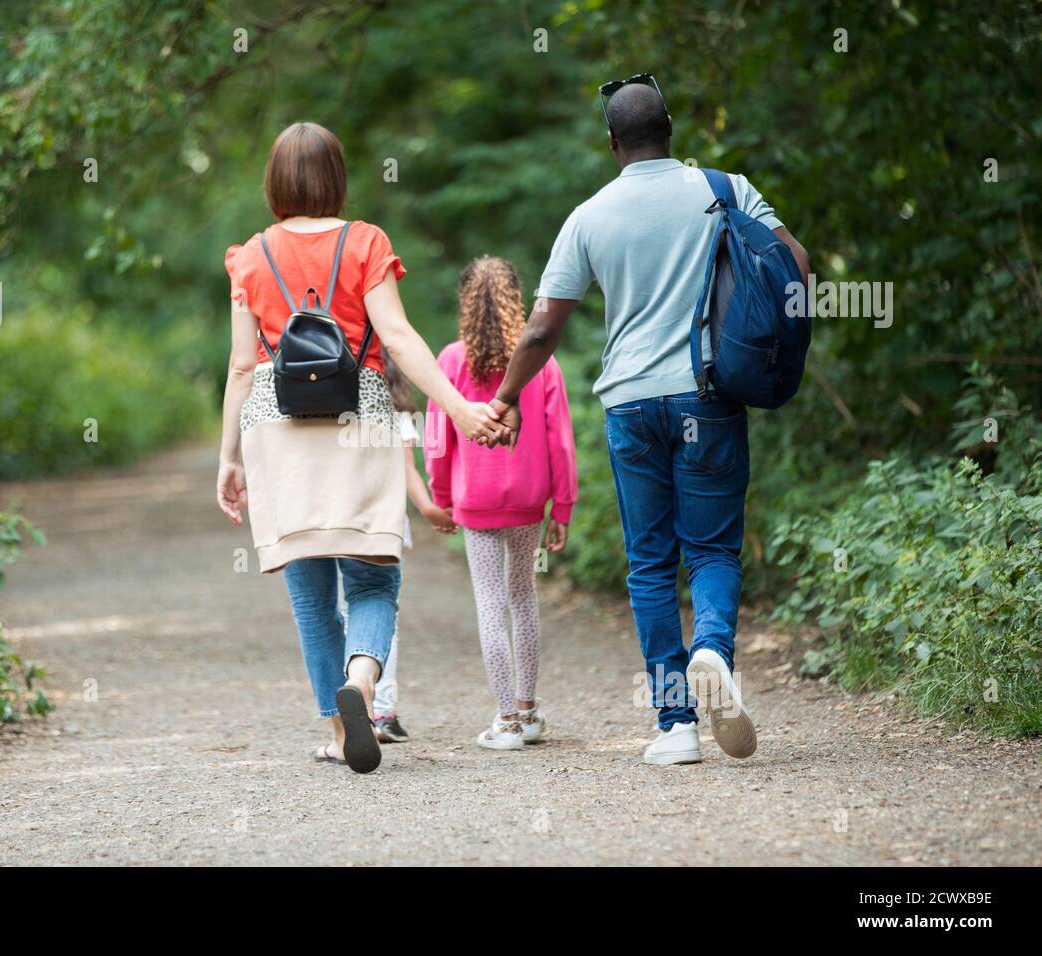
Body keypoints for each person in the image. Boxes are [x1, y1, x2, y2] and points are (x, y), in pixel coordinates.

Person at [484, 78, 810, 765]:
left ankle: (676, 726)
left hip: (632, 404)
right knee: (714, 550)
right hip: (709, 392)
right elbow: (796, 266)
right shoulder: (724, 188)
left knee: (651, 562)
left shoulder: (589, 216)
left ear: (612, 144)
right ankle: (714, 652)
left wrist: (508, 395)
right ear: (671, 129)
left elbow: (542, 326)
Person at [216, 122, 507, 774]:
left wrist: (228, 458)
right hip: (361, 418)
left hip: (277, 429)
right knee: (374, 574)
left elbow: (240, 366)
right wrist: (456, 408)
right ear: (337, 177)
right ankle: (365, 684)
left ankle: (336, 728)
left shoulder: (250, 256)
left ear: (274, 182)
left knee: (310, 589)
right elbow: (397, 337)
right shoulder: (365, 241)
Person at [425, 257, 577, 751]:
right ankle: (530, 712)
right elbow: (561, 440)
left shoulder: (448, 362)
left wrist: (440, 496)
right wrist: (563, 506)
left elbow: (435, 436)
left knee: (489, 603)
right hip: (530, 499)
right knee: (523, 597)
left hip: (476, 500)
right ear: (517, 300)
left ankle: (506, 722)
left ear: (466, 303)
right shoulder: (542, 362)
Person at [336, 360, 457, 744]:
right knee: (380, 611)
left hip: (334, 521)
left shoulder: (331, 408)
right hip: (384, 525)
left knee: (341, 613)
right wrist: (429, 509)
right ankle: (383, 709)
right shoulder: (399, 413)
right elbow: (408, 471)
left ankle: (351, 706)